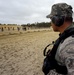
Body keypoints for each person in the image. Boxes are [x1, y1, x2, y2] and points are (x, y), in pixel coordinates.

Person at [44, 3, 74, 75]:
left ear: (58, 19)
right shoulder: (67, 36)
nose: (50, 22)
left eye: (51, 19)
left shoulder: (69, 45)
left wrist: (50, 72)